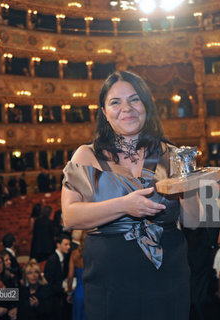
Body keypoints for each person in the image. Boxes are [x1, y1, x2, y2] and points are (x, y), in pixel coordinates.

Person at [61, 71, 191, 320]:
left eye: (134, 99)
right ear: (103, 111)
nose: (126, 108)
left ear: (146, 105)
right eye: (115, 102)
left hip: (168, 275)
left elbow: (191, 220)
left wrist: (194, 185)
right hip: (109, 281)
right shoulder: (86, 155)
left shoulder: (173, 154)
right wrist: (124, 205)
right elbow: (70, 217)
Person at [44, 234, 71, 320]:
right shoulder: (52, 260)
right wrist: (64, 289)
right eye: (66, 244)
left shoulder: (64, 257)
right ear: (58, 245)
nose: (69, 247)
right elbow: (49, 283)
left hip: (58, 296)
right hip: (52, 300)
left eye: (69, 244)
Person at [67, 231, 87, 320]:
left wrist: (70, 292)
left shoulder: (74, 254)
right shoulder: (95, 254)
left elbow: (70, 276)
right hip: (92, 292)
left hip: (79, 292)